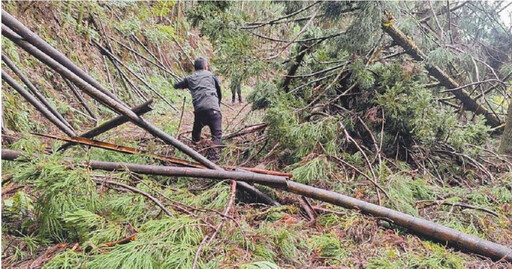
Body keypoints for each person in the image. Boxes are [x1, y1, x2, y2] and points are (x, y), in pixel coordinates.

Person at [174, 57, 222, 160]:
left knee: (196, 133)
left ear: (195, 68)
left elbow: (177, 85)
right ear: (206, 67)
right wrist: (217, 105)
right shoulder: (212, 76)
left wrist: (178, 85)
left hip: (200, 110)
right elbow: (219, 91)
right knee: (217, 136)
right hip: (214, 109)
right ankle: (213, 158)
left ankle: (196, 154)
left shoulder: (190, 78)